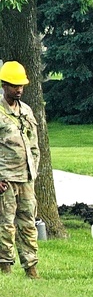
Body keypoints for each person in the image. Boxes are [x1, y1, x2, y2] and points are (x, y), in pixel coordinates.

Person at [0, 61, 41, 279]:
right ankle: (5, 267)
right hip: (5, 179)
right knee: (6, 225)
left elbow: (34, 144)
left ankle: (31, 268)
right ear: (4, 85)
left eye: (21, 86)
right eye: (14, 85)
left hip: (26, 178)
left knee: (28, 225)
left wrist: (34, 169)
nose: (19, 89)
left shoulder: (26, 111)